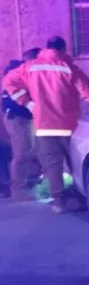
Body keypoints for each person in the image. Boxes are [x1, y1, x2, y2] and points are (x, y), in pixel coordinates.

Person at [2, 36, 89, 213]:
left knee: (52, 165)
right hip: (68, 124)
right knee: (74, 163)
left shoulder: (30, 67)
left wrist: (27, 103)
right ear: (63, 49)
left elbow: (8, 82)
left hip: (43, 125)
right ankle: (80, 199)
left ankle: (59, 202)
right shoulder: (68, 67)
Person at [2, 57, 42, 201]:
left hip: (23, 118)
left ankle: (25, 185)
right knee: (22, 152)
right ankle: (18, 190)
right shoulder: (13, 78)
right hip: (17, 118)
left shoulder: (17, 76)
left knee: (31, 151)